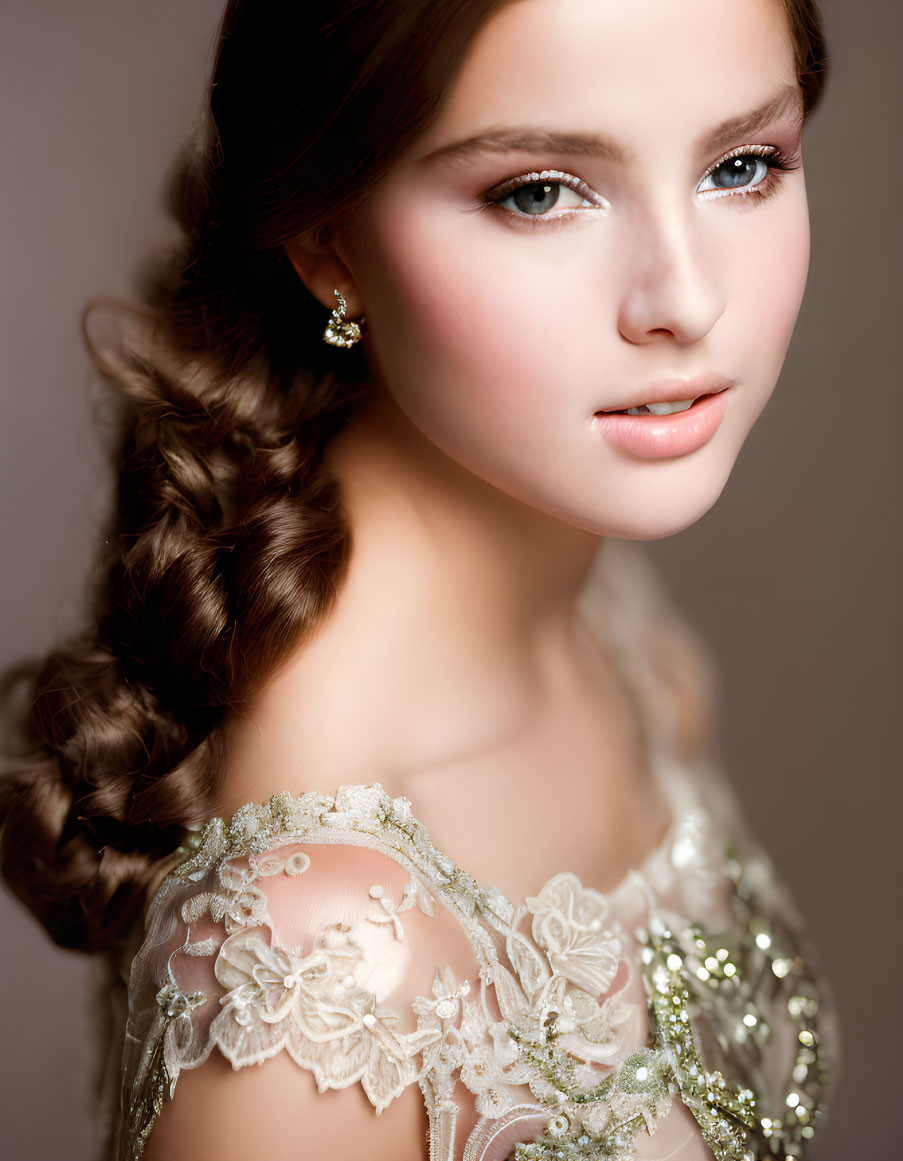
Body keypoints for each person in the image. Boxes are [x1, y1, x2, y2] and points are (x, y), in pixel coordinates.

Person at [0, 0, 837, 1158]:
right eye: (539, 191)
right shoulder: (316, 962)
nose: (688, 302)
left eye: (742, 165)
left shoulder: (604, 621)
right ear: (327, 239)